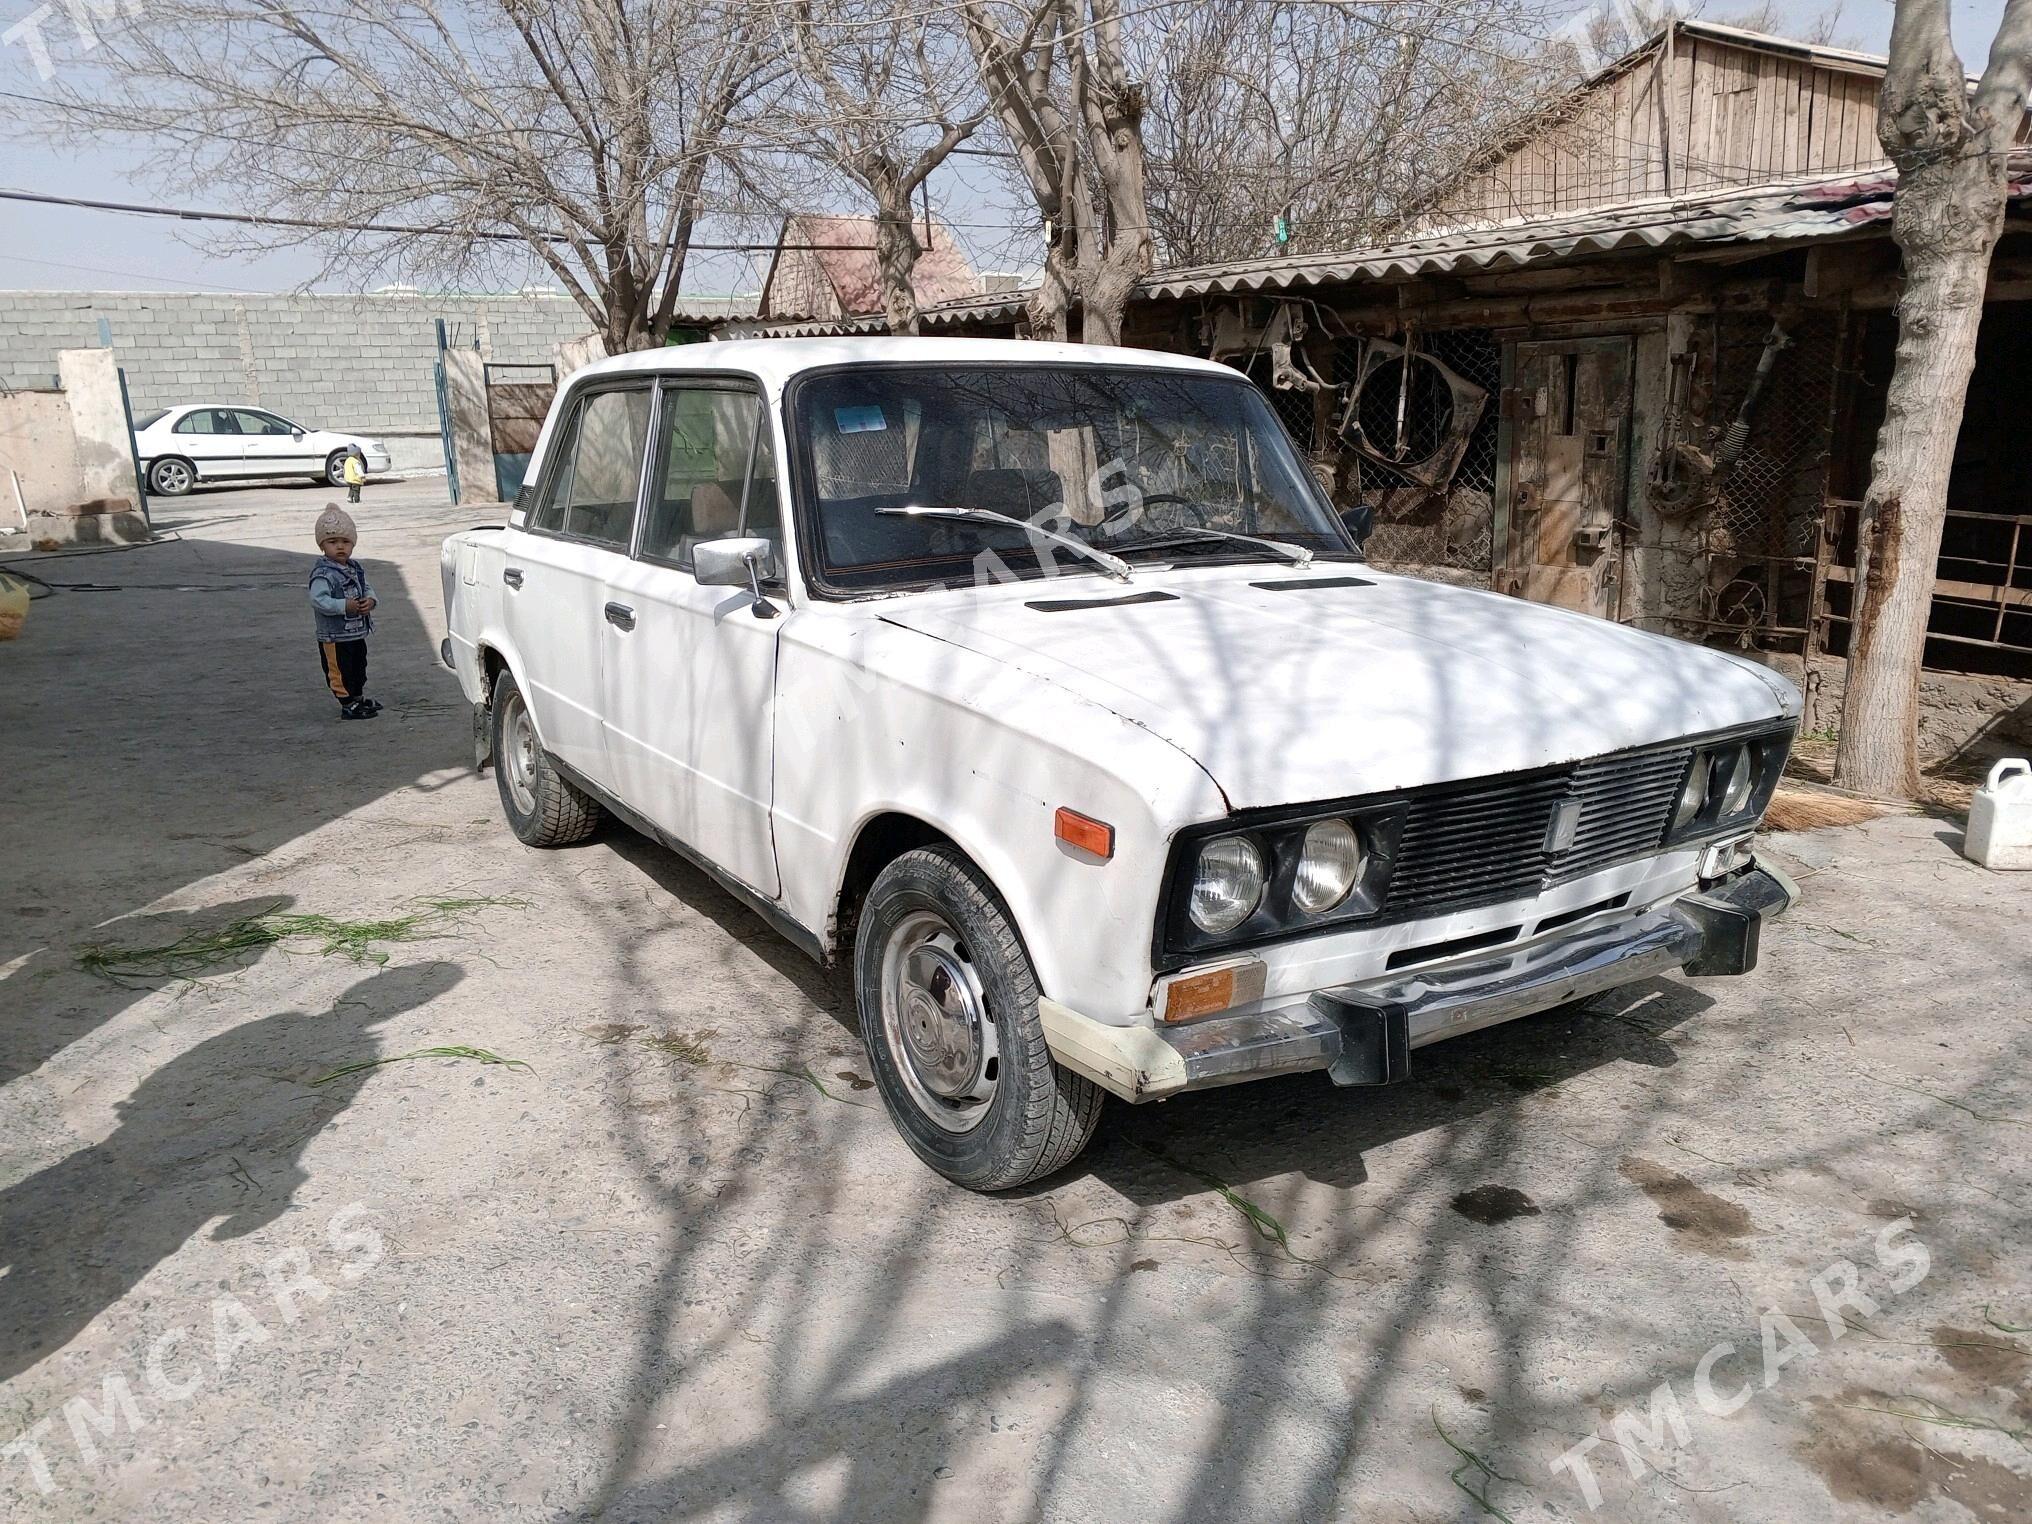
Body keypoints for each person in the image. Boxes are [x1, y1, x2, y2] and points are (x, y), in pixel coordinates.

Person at [308, 504, 380, 719]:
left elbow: (365, 586)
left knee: (359, 665)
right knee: (340, 670)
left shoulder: (354, 567)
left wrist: (371, 600)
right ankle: (347, 702)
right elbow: (318, 600)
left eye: (345, 542)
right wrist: (343, 606)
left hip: (356, 632)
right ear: (322, 545)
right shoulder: (323, 573)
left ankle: (358, 697)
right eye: (332, 542)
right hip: (335, 635)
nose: (340, 547)